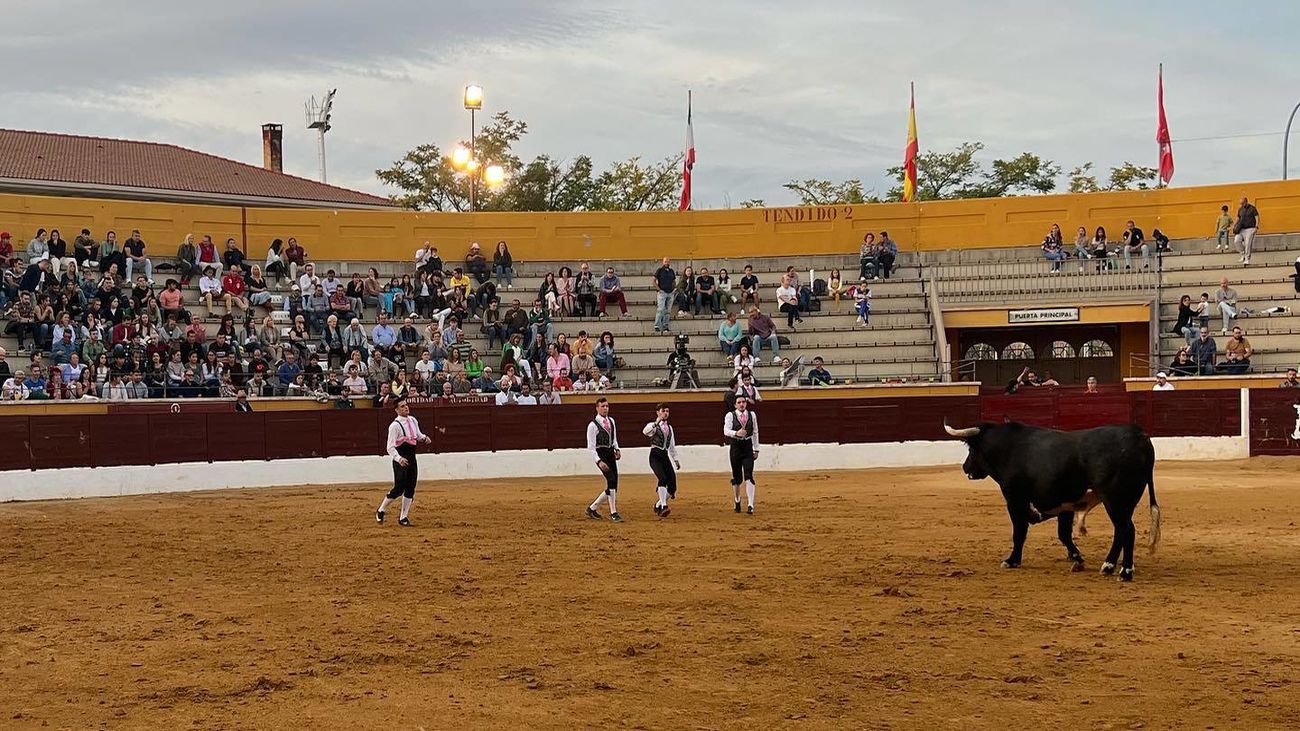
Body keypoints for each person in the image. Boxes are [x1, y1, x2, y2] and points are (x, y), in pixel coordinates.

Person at [375, 398, 432, 527]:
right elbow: (390, 447)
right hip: (400, 459)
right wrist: (399, 458)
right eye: (402, 406)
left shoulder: (413, 420)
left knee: (411, 487)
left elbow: (417, 435)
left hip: (411, 458)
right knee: (399, 488)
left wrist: (424, 438)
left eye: (406, 405)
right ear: (396, 410)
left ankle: (403, 517)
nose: (406, 407)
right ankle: (381, 510)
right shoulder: (394, 426)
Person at [584, 397, 623, 522]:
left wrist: (617, 449)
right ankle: (613, 513)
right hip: (601, 454)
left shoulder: (611, 421)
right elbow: (591, 447)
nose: (605, 408)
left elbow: (614, 438)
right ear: (597, 408)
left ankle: (592, 508)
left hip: (610, 453)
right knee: (611, 481)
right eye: (602, 406)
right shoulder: (592, 425)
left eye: (607, 406)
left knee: (613, 485)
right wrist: (599, 461)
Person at [723, 393, 760, 515]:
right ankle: (737, 500)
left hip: (747, 446)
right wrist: (736, 433)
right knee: (737, 478)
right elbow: (726, 431)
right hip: (735, 447)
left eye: (743, 402)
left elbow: (755, 432)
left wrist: (756, 449)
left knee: (749, 475)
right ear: (735, 405)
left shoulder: (752, 415)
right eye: (739, 402)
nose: (742, 404)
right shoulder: (730, 415)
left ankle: (750, 505)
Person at [643, 403, 682, 518]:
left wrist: (675, 459)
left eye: (667, 411)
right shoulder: (653, 425)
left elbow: (671, 446)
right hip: (655, 455)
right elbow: (645, 432)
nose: (665, 413)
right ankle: (664, 506)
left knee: (672, 487)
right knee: (663, 478)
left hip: (664, 456)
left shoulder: (669, 428)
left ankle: (658, 504)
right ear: (658, 412)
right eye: (663, 411)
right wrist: (656, 422)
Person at [1234, 196, 1260, 264]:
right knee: (1237, 241)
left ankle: (1247, 259)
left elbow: (1257, 217)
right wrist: (1234, 225)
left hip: (1250, 228)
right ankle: (1243, 254)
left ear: (1246, 202)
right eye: (1240, 203)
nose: (1241, 204)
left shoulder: (1252, 208)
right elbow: (1238, 217)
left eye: (1242, 203)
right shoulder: (1240, 209)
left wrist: (1256, 227)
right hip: (1241, 229)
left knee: (1248, 243)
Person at [652, 257, 675, 333]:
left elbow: (674, 281)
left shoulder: (671, 271)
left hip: (670, 293)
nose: (667, 263)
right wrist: (658, 289)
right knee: (661, 309)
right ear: (663, 262)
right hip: (662, 293)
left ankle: (665, 326)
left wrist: (674, 288)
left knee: (668, 311)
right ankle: (657, 326)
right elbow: (653, 281)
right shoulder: (659, 270)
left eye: (668, 261)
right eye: (665, 261)